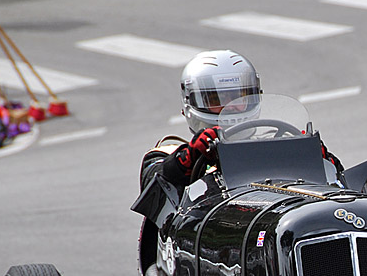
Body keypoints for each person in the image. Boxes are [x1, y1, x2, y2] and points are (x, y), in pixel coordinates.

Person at [139, 50, 340, 191]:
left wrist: (312, 154)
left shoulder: (275, 144)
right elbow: (155, 182)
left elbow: (338, 177)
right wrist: (190, 157)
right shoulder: (167, 155)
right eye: (218, 99)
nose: (231, 106)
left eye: (239, 96)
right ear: (191, 102)